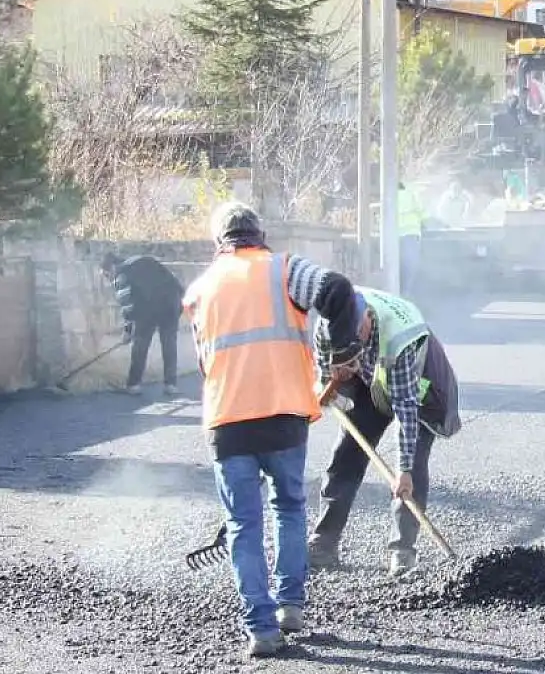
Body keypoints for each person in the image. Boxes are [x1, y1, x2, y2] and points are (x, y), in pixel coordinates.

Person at [181, 202, 359, 658]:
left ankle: (260, 629)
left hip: (228, 421)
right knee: (289, 509)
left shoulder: (199, 290)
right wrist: (341, 356)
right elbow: (338, 291)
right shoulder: (284, 270)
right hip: (284, 415)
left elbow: (206, 363)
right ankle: (290, 605)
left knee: (243, 524)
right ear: (259, 234)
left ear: (218, 242)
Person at [309, 285, 462, 578]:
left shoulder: (400, 339)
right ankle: (324, 542)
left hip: (419, 385)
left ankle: (402, 550)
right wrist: (330, 386)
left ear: (367, 317)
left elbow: (406, 410)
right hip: (370, 381)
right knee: (346, 453)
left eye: (357, 339)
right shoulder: (327, 324)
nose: (353, 343)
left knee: (413, 464)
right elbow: (323, 374)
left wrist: (402, 470)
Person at [99, 252, 185, 398]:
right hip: (172, 302)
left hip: (149, 307)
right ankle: (170, 385)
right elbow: (176, 285)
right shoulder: (141, 260)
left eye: (107, 275)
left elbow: (127, 306)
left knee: (140, 345)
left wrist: (127, 331)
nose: (108, 279)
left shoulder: (121, 274)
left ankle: (134, 385)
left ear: (112, 267)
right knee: (169, 343)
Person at [398, 182, 426, 296]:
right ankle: (407, 291)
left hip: (395, 234)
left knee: (398, 263)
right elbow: (422, 212)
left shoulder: (386, 196)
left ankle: (397, 288)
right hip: (411, 233)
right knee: (411, 263)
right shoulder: (411, 194)